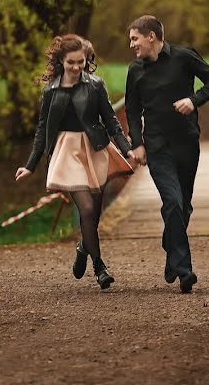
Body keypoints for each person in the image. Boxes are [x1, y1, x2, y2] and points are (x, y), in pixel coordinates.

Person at [15, 34, 135, 289]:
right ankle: (100, 266)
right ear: (61, 61)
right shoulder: (50, 92)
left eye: (81, 62)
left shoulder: (95, 85)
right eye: (71, 62)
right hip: (67, 153)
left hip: (95, 149)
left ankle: (83, 246)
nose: (76, 67)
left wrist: (127, 150)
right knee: (87, 210)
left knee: (94, 214)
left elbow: (112, 122)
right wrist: (30, 165)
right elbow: (42, 129)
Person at [125, 15, 209, 293]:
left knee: (184, 205)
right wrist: (137, 144)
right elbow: (132, 110)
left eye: (135, 38)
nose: (131, 44)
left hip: (187, 142)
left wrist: (194, 100)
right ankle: (184, 271)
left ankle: (172, 248)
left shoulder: (184, 56)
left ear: (151, 37)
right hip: (157, 146)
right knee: (173, 202)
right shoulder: (134, 71)